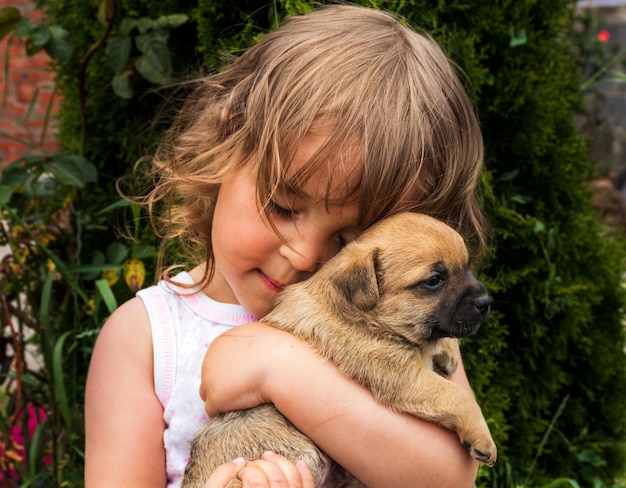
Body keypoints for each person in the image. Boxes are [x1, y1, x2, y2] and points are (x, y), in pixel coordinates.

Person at [84, 4, 489, 487]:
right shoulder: (145, 338)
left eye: (349, 240)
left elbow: (447, 480)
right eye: (282, 205)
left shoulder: (417, 316)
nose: (303, 255)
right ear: (226, 142)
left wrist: (280, 372)